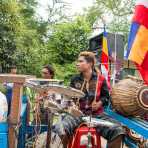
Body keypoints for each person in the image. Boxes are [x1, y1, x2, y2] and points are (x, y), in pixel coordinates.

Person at [52, 51, 125, 148]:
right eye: (78, 61)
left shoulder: (101, 79)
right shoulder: (75, 79)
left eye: (81, 61)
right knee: (60, 129)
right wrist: (72, 105)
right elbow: (69, 97)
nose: (77, 64)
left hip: (96, 116)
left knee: (118, 131)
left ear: (90, 63)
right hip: (77, 115)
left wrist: (99, 103)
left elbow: (106, 97)